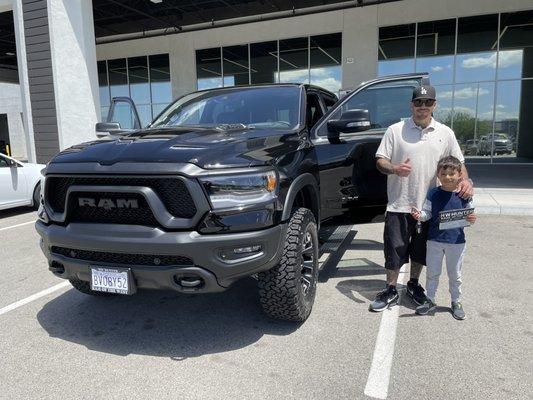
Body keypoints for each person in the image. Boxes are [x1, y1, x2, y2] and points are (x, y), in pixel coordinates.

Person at [369, 85, 474, 312]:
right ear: (411, 105)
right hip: (399, 203)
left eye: (428, 103)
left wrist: (467, 181)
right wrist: (395, 168)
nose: (423, 107)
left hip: (430, 206)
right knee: (394, 249)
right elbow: (380, 160)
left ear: (434, 105)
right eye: (418, 102)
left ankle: (414, 285)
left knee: (420, 251)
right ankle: (390, 288)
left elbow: (459, 163)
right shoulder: (395, 130)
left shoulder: (445, 133)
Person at [411, 156, 476, 320]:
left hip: (456, 242)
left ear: (459, 175)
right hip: (434, 241)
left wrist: (472, 219)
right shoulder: (433, 193)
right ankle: (430, 300)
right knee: (432, 273)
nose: (448, 177)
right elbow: (427, 214)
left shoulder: (464, 195)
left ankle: (456, 301)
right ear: (438, 175)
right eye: (444, 173)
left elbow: (469, 215)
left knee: (455, 274)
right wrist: (419, 215)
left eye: (452, 173)